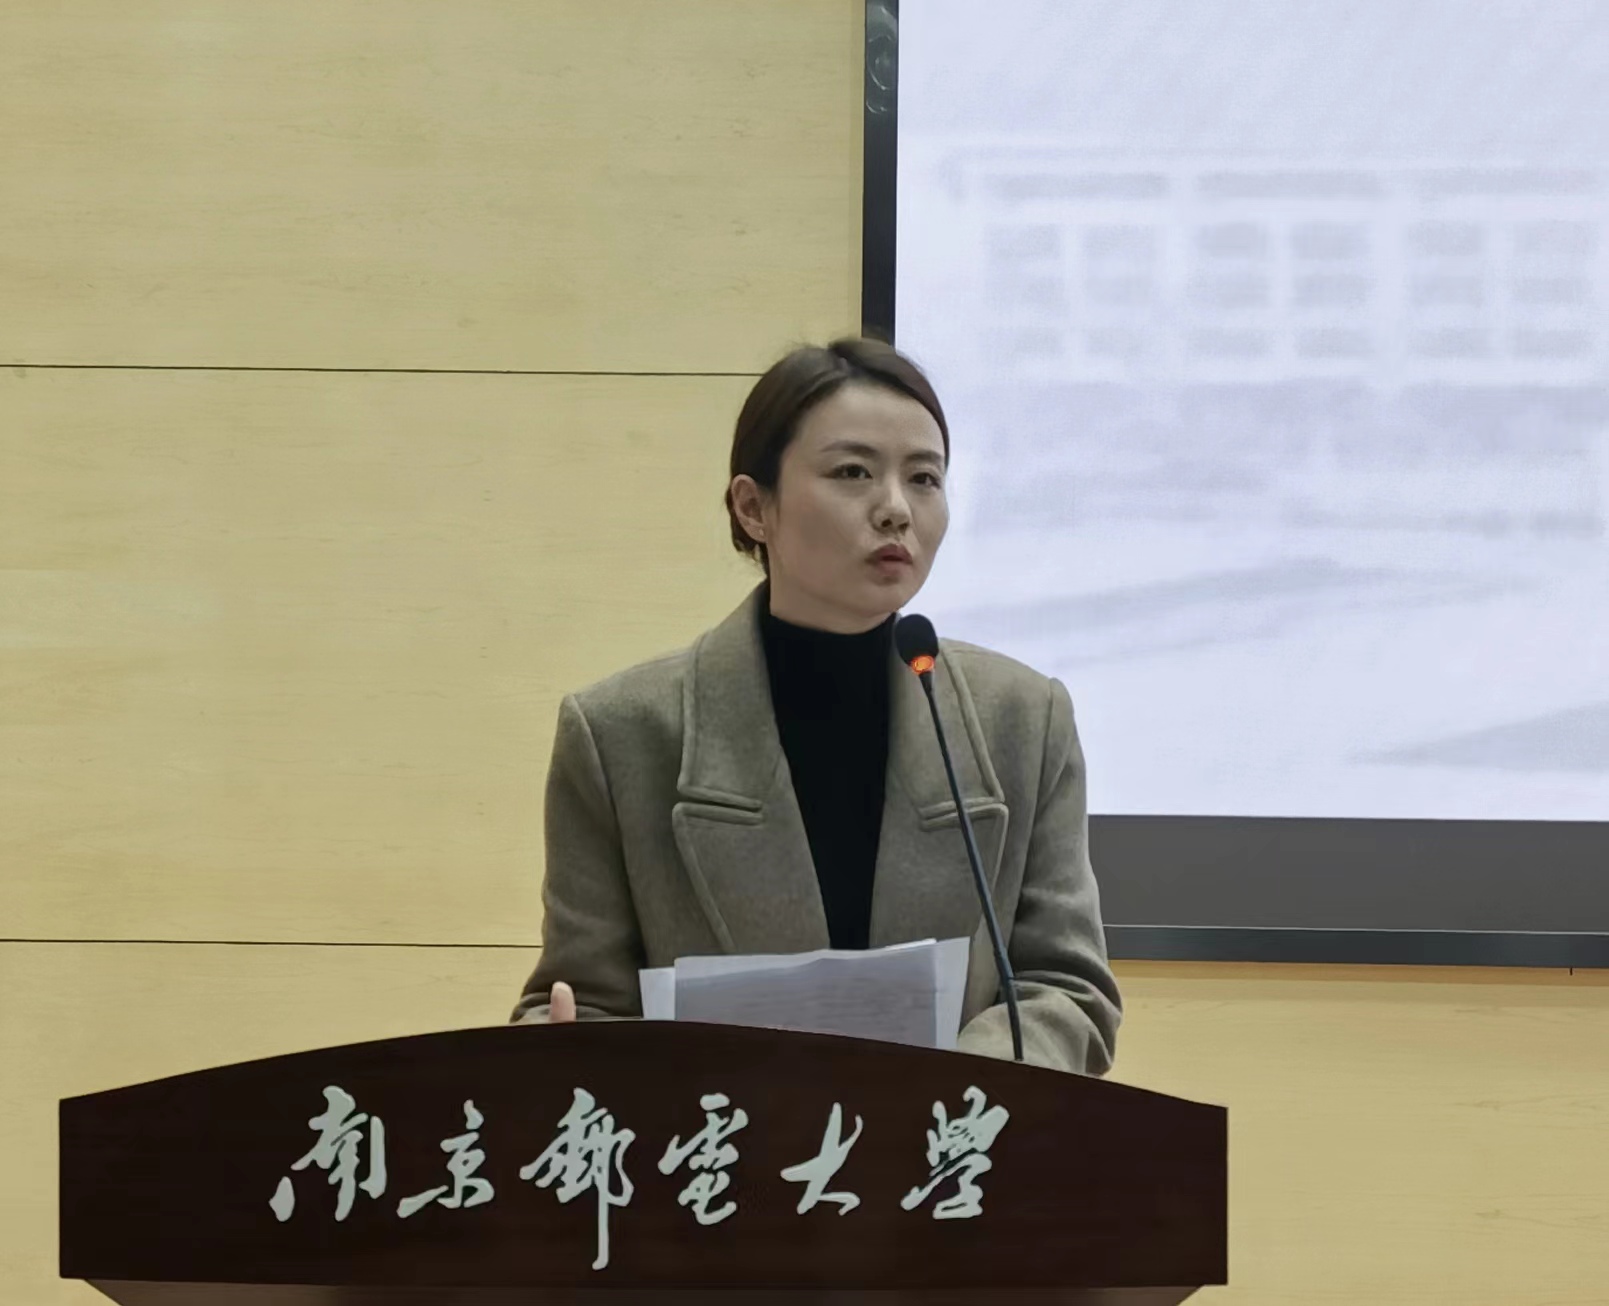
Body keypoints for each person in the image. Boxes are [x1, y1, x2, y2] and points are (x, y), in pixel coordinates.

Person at [511, 338, 1121, 1073]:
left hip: (952, 1137)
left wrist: (948, 1090)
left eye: (924, 478)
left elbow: (1066, 989)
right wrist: (559, 1052)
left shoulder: (1023, 719)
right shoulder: (621, 734)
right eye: (852, 472)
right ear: (753, 507)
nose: (895, 509)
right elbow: (581, 1001)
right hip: (718, 1138)